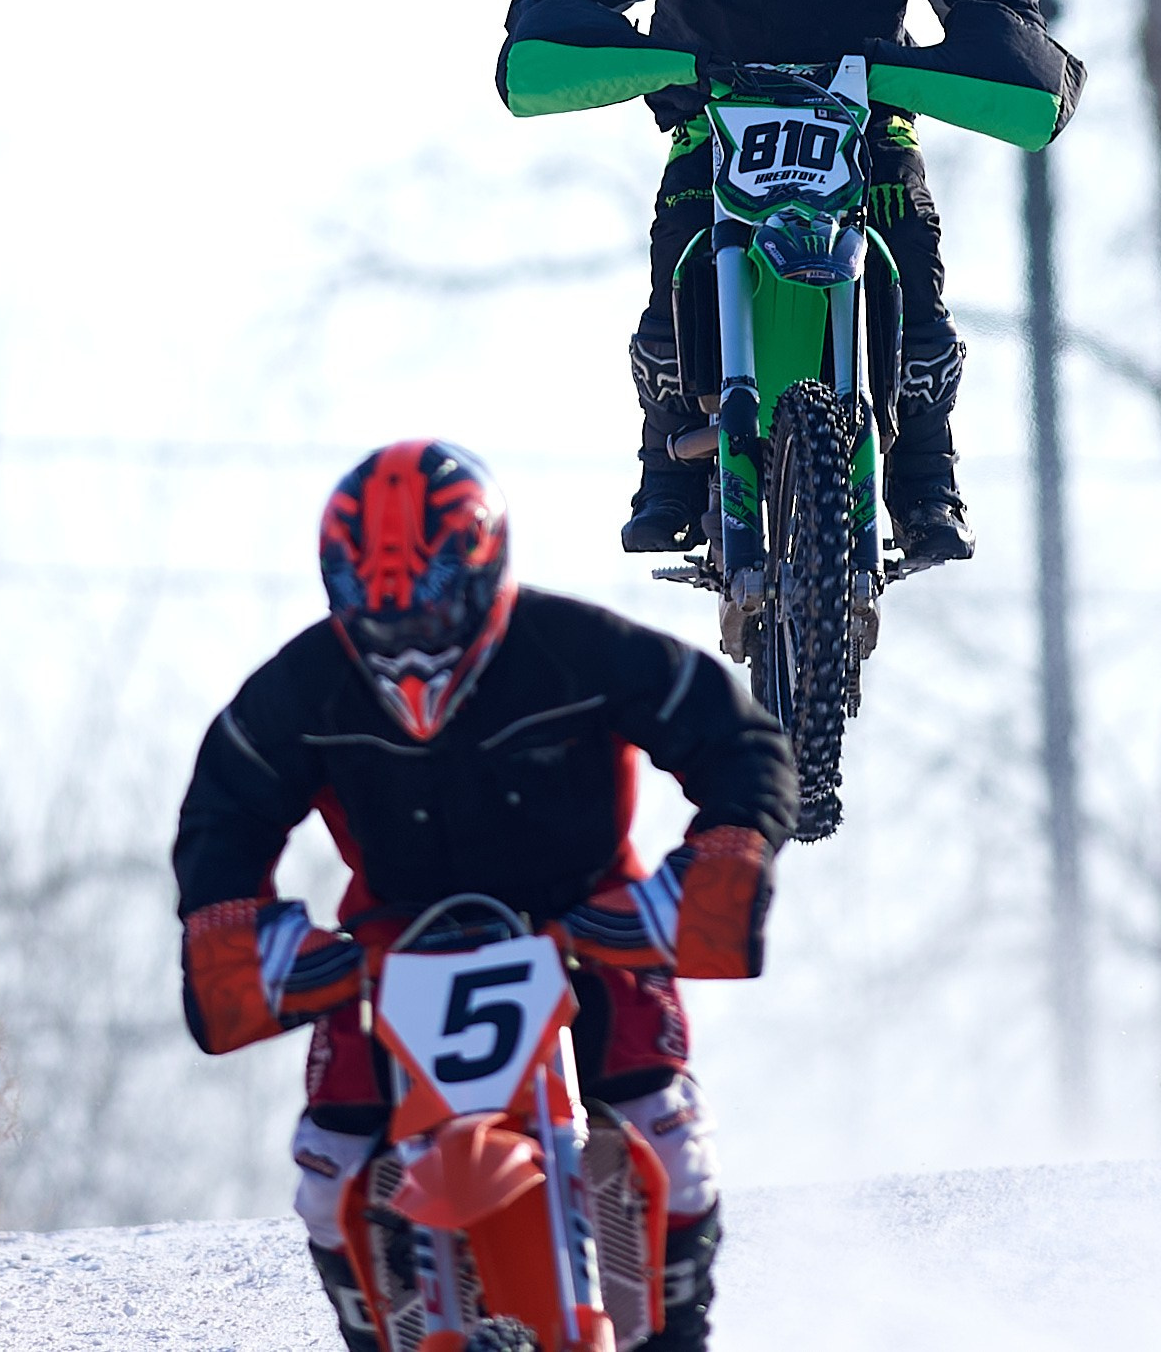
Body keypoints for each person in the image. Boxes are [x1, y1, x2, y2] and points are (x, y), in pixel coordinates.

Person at [172, 439, 798, 1352]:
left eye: (430, 609)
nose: (409, 640)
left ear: (485, 574)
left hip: (589, 925)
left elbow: (736, 737)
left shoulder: (577, 648)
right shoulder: (304, 686)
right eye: (379, 616)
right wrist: (232, 925)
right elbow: (223, 810)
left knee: (672, 1144)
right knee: (328, 1168)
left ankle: (673, 1338)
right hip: (392, 947)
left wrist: (725, 851)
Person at [497, 0, 1083, 566]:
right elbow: (551, 0)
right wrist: (661, 66)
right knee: (673, 268)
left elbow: (1010, 17)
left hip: (866, 119)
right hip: (714, 114)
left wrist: (939, 67)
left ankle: (926, 484)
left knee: (915, 271)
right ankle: (666, 475)